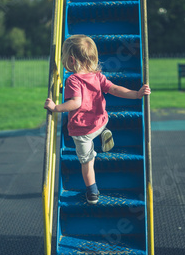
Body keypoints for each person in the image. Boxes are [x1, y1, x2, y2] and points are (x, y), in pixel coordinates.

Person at [44, 34, 151, 204]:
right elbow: (115, 89)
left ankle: (93, 192)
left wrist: (55, 108)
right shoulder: (97, 76)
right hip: (101, 121)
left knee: (87, 162)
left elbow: (75, 103)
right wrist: (137, 94)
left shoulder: (73, 80)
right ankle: (103, 132)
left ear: (71, 60)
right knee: (101, 124)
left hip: (83, 132)